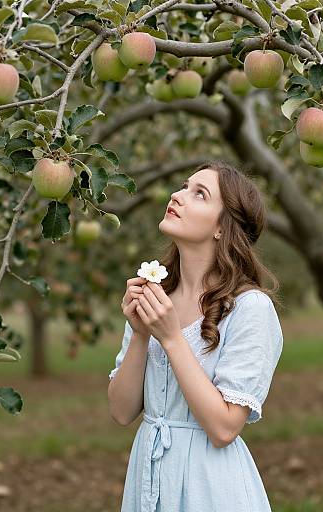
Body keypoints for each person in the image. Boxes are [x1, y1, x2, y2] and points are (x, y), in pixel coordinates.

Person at [108, 160, 284, 511]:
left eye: (199, 194)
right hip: (149, 480)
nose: (178, 195)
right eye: (184, 186)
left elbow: (223, 429)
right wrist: (142, 335)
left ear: (222, 227)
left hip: (210, 488)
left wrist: (171, 339)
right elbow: (122, 411)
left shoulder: (250, 309)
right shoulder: (157, 296)